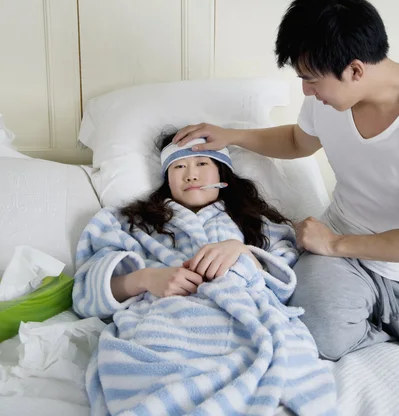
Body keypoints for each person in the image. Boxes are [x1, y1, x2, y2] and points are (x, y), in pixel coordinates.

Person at [174, 0, 399, 362]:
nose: (306, 91)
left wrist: (334, 244)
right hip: (342, 257)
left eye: (311, 79)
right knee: (321, 334)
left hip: (345, 247)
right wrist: (233, 135)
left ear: (355, 69)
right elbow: (298, 141)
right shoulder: (329, 101)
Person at [72, 131, 336, 415]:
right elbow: (85, 294)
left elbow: (289, 281)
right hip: (166, 320)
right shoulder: (130, 222)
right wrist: (145, 278)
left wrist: (243, 253)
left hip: (248, 317)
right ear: (166, 177)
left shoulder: (257, 223)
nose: (191, 175)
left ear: (222, 172)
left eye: (201, 164)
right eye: (179, 166)